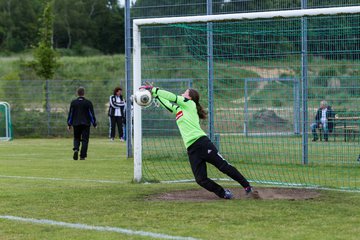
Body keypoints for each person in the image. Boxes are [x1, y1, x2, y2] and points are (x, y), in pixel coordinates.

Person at [140, 85, 259, 200]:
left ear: (190, 97)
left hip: (202, 143)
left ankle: (247, 187)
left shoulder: (189, 104)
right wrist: (154, 94)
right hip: (192, 149)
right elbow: (167, 103)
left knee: (223, 166)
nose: (182, 94)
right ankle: (224, 193)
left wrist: (154, 89)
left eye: (185, 93)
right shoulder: (179, 110)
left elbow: (172, 97)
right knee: (200, 179)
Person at [67, 87, 97, 160]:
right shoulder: (88, 103)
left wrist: (69, 124)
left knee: (76, 138)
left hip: (76, 123)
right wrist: (94, 123)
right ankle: (82, 156)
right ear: (84, 93)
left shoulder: (73, 102)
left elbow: (71, 114)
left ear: (77, 93)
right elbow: (91, 114)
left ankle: (76, 149)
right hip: (85, 124)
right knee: (85, 140)